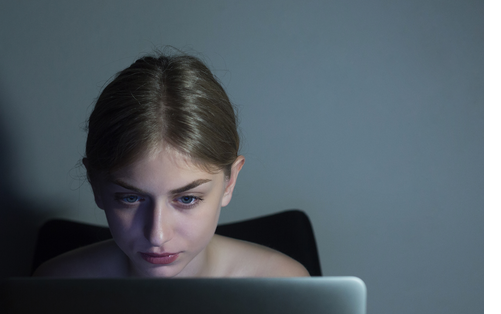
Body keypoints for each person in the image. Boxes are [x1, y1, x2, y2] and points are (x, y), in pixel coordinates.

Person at [33, 53, 309, 278]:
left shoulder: (283, 285)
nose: (157, 235)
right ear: (96, 186)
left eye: (187, 198)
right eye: (130, 198)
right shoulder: (54, 288)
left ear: (230, 182)